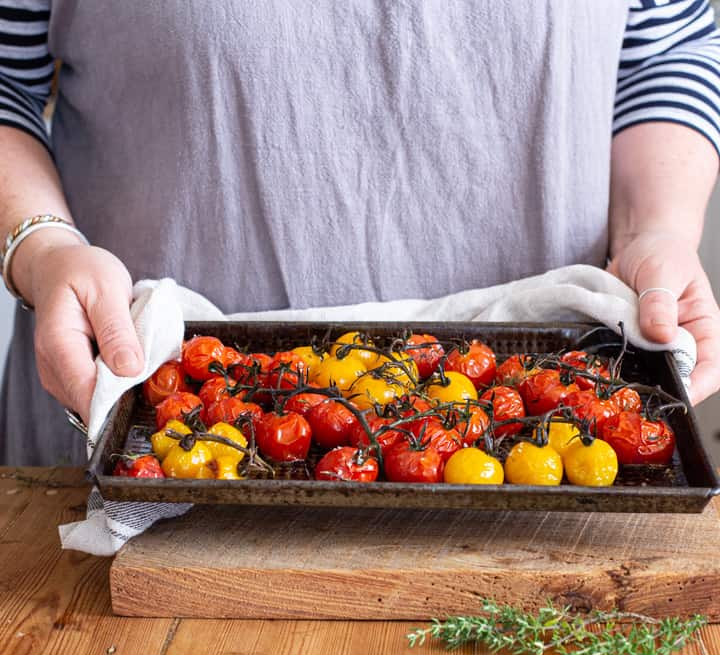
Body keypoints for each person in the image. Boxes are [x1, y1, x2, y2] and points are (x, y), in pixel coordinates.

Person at [1, 1, 719, 465]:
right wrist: (40, 243)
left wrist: (656, 227)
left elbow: (665, 51)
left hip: (554, 450)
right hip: (141, 428)